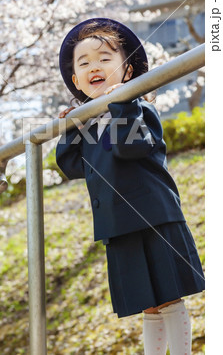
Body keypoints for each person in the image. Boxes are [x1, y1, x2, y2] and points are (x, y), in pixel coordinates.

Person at [56, 18, 205, 355]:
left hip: (153, 216)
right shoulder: (89, 126)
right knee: (147, 305)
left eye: (105, 59)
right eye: (85, 63)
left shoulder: (140, 110)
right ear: (77, 81)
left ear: (127, 72)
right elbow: (72, 166)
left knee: (168, 296)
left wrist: (121, 102)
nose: (95, 66)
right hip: (118, 224)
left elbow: (129, 146)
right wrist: (72, 127)